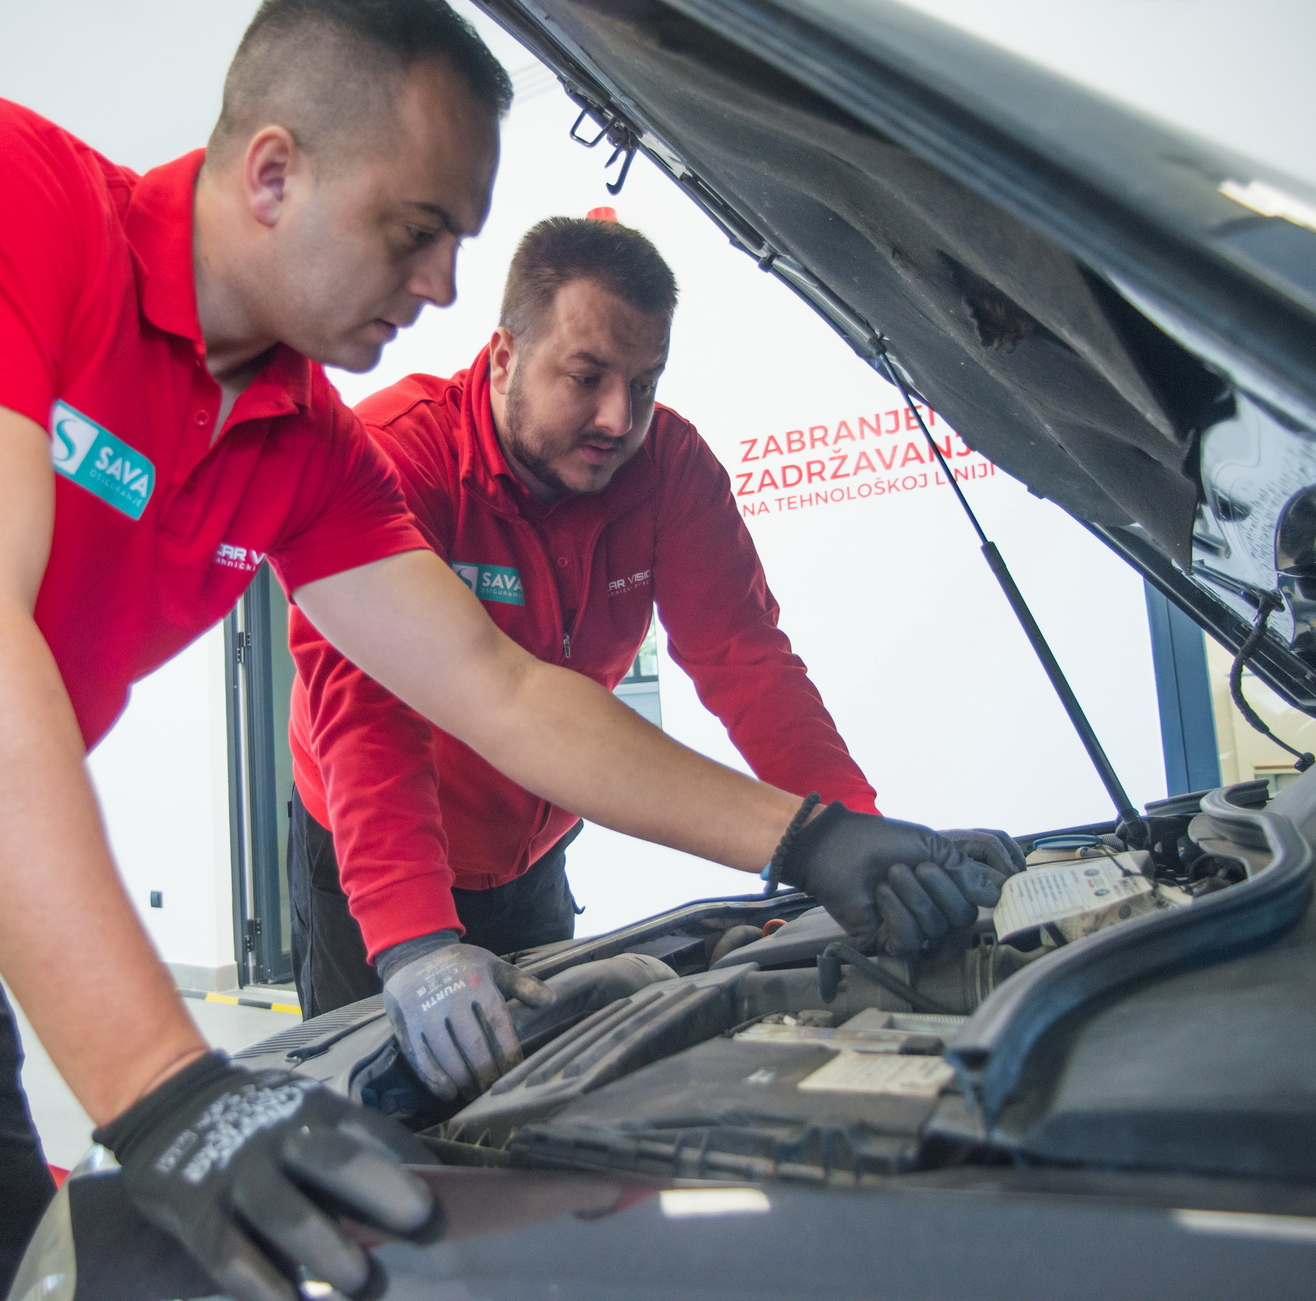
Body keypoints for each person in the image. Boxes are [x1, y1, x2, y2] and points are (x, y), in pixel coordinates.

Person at [0, 0, 1012, 1299]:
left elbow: (497, 689)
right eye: (415, 231)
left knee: (13, 1272)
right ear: (272, 172)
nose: (443, 287)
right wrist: (168, 1089)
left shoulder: (301, 445)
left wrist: (812, 836)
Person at [287, 216, 1023, 1100]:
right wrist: (413, 939)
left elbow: (746, 661)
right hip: (373, 865)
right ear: (505, 355)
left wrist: (857, 842)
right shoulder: (394, 458)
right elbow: (367, 716)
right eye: (586, 377)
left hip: (532, 858)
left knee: (531, 1103)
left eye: (643, 383)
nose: (618, 418)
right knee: (380, 1121)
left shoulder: (668, 466)